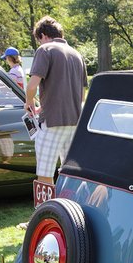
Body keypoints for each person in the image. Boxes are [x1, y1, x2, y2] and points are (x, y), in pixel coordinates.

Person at [25, 16, 87, 189]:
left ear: (43, 35)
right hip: (75, 122)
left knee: (44, 173)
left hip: (52, 122)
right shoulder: (77, 54)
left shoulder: (45, 49)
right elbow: (81, 96)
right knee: (71, 173)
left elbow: (32, 86)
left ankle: (47, 213)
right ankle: (70, 209)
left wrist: (28, 103)